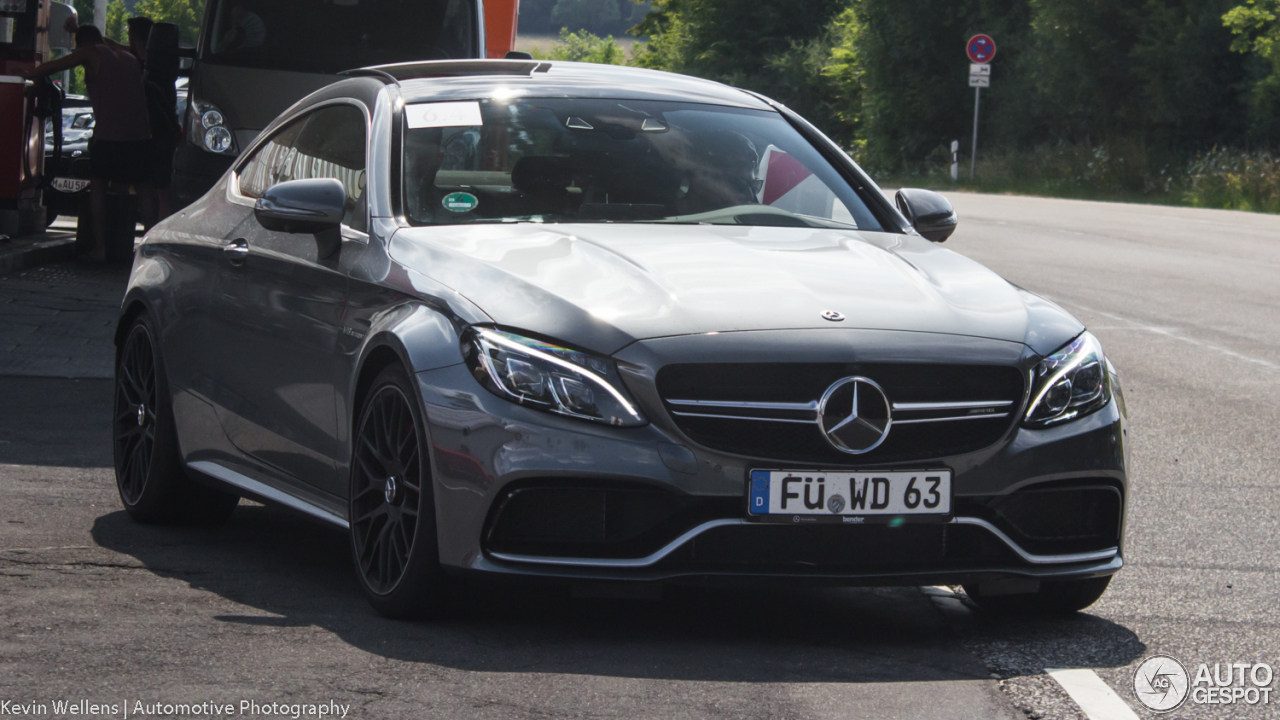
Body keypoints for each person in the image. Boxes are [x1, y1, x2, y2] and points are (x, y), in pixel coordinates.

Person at [23, 24, 156, 262]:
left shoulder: (90, 52)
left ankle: (101, 249)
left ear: (80, 43)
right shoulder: (128, 56)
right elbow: (107, 44)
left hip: (109, 136)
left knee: (97, 187)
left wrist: (24, 75)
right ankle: (151, 252)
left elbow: (47, 68)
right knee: (144, 190)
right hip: (140, 135)